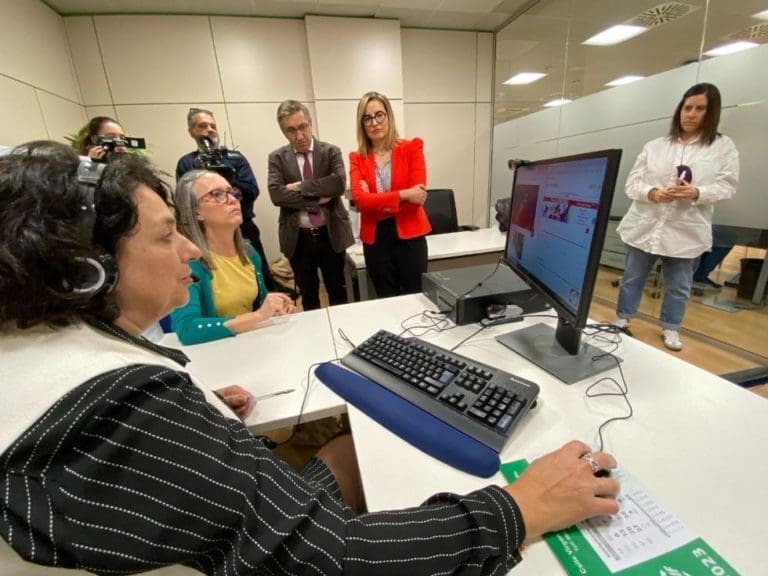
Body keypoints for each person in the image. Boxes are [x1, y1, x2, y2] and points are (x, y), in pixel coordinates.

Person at [0, 141, 620, 575]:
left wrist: (203, 420)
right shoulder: (123, 411)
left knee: (351, 445)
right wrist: (519, 509)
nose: (189, 249)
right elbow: (339, 557)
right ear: (85, 272)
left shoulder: (36, 362)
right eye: (165, 235)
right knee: (387, 466)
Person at [614, 83, 738, 351]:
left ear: (711, 112)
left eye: (699, 109)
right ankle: (622, 318)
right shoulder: (656, 146)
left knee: (679, 286)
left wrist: (697, 192)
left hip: (686, 230)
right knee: (633, 277)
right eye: (687, 107)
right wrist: (653, 192)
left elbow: (727, 186)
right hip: (645, 226)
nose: (691, 114)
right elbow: (631, 184)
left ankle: (671, 327)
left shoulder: (722, 147)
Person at [171, 169, 295, 345]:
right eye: (217, 194)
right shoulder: (190, 264)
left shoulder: (249, 253)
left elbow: (258, 304)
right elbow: (188, 329)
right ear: (196, 212)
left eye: (232, 192)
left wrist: (275, 307)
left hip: (251, 345)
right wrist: (258, 316)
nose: (232, 200)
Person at [176, 107, 277, 290]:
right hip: (205, 234)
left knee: (260, 275)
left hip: (243, 225)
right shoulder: (187, 163)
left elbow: (252, 190)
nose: (209, 130)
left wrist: (228, 179)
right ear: (192, 132)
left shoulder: (235, 159)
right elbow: (185, 202)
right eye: (203, 126)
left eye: (213, 126)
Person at [268, 100, 354, 310]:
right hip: (299, 239)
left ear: (310, 123)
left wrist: (299, 187)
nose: (299, 136)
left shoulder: (331, 151)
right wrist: (317, 198)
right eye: (291, 130)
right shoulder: (277, 158)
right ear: (283, 132)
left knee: (337, 291)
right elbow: (276, 195)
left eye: (302, 127)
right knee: (309, 296)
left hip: (331, 233)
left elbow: (338, 184)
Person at [349, 91, 432, 297]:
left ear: (389, 116)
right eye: (367, 118)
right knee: (386, 300)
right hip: (376, 241)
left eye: (379, 115)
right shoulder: (357, 158)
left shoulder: (412, 148)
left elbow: (418, 198)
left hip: (410, 237)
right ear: (362, 124)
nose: (374, 123)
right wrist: (403, 194)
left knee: (415, 298)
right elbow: (360, 201)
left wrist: (375, 201)